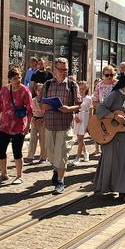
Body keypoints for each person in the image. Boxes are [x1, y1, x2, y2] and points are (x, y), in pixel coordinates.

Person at [93, 72, 125, 200]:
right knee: (113, 162)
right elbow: (100, 109)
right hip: (113, 136)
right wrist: (114, 116)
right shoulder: (114, 95)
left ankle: (123, 191)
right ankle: (110, 187)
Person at [39, 57, 81, 194]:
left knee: (62, 154)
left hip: (65, 125)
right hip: (50, 125)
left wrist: (69, 109)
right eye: (61, 69)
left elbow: (79, 105)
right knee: (51, 154)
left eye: (66, 69)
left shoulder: (72, 85)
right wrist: (44, 106)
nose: (63, 72)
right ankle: (56, 169)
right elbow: (41, 102)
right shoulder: (47, 84)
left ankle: (60, 181)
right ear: (54, 70)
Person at [0, 67, 33, 185]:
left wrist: (28, 125)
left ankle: (19, 176)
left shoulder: (25, 91)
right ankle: (4, 174)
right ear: (9, 79)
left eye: (19, 77)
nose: (18, 80)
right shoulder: (4, 89)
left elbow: (30, 109)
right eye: (15, 78)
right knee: (0, 150)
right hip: (4, 125)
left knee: (17, 151)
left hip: (19, 126)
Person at [92, 65, 117, 154]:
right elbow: (94, 101)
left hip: (115, 114)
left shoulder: (117, 84)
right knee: (104, 136)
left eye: (112, 75)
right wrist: (101, 109)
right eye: (107, 75)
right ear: (103, 75)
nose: (110, 77)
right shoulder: (99, 85)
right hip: (103, 115)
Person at [25, 83, 47, 164]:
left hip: (43, 121)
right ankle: (30, 156)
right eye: (38, 90)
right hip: (34, 120)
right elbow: (31, 111)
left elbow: (47, 112)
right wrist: (32, 120)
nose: (40, 92)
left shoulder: (46, 101)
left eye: (42, 90)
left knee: (43, 140)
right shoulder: (33, 100)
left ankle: (43, 157)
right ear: (35, 91)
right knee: (33, 139)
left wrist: (43, 119)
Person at [72, 81, 92, 165]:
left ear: (86, 89)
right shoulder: (76, 97)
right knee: (80, 138)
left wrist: (90, 124)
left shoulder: (88, 98)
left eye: (83, 89)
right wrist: (75, 116)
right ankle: (86, 153)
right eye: (80, 88)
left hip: (84, 117)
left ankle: (77, 158)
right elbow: (73, 108)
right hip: (77, 117)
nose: (81, 90)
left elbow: (89, 110)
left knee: (80, 138)